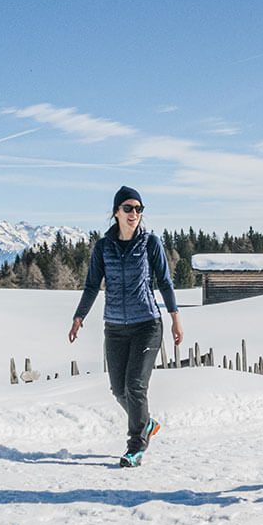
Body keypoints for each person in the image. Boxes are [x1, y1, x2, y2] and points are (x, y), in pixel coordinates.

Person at [69, 186, 184, 468]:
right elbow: (92, 284)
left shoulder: (150, 243)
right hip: (116, 327)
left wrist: (175, 319)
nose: (134, 214)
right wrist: (79, 316)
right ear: (116, 212)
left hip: (147, 324)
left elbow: (165, 282)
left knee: (135, 386)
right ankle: (145, 423)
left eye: (139, 209)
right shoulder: (103, 247)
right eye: (129, 208)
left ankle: (136, 446)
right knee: (117, 389)